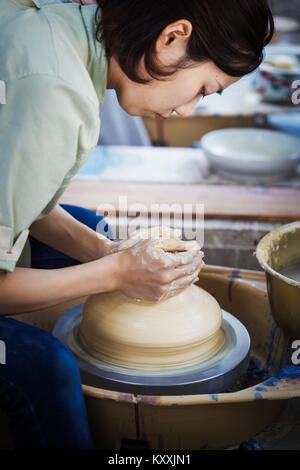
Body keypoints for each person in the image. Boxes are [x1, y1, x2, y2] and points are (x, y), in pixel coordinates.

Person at [0, 0, 274, 449]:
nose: (188, 110)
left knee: (92, 231)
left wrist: (107, 255)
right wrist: (116, 273)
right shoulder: (53, 90)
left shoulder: (68, 38)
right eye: (204, 88)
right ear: (172, 38)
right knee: (41, 366)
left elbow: (24, 201)